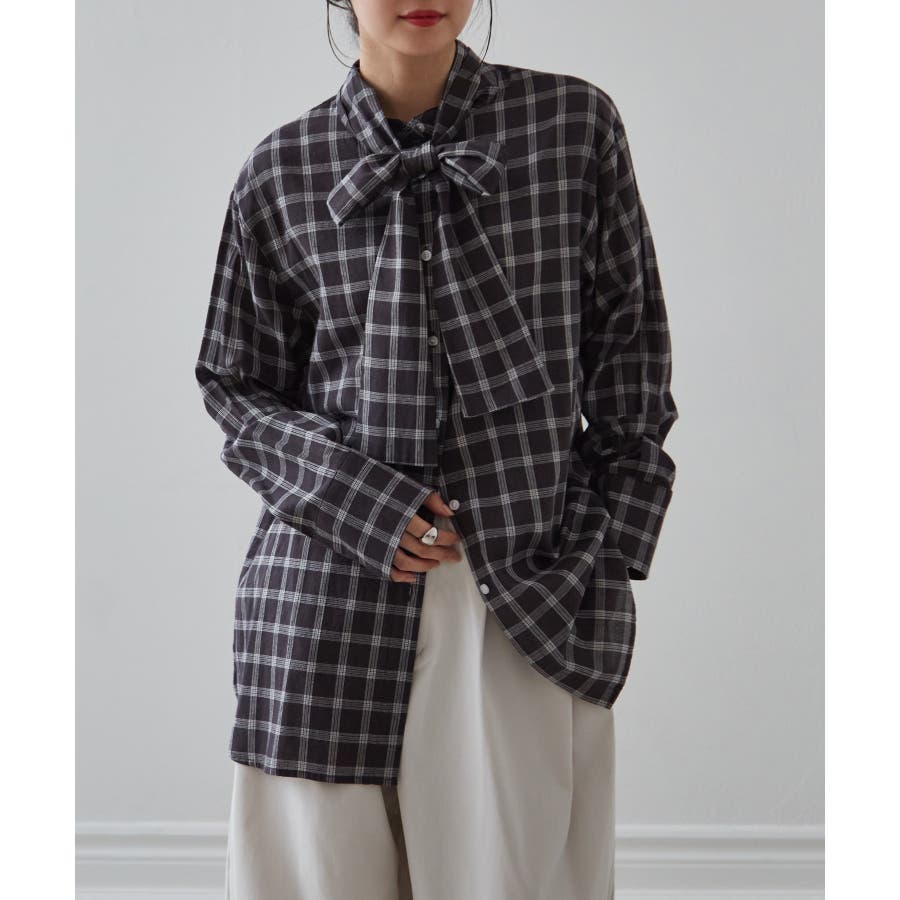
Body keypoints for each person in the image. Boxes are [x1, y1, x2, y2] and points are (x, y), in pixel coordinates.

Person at [195, 1, 679, 897]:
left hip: (525, 594)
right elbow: (236, 385)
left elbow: (630, 354)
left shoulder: (573, 127)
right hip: (327, 598)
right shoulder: (281, 168)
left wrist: (607, 551)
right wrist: (362, 504)